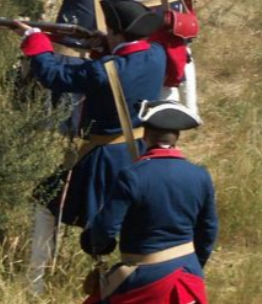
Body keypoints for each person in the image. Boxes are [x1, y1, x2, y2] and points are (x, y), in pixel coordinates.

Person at [17, 0, 168, 295]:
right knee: (123, 218)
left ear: (115, 32)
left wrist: (35, 41)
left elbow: (55, 76)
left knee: (46, 206)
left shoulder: (106, 69)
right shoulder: (156, 54)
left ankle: (34, 285)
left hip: (102, 156)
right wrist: (104, 45)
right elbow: (124, 61)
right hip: (137, 150)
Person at [80, 100, 217, 304]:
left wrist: (96, 245)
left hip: (146, 279)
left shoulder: (132, 175)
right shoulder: (200, 176)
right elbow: (208, 231)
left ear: (144, 136)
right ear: (176, 138)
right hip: (188, 276)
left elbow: (105, 229)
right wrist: (193, 265)